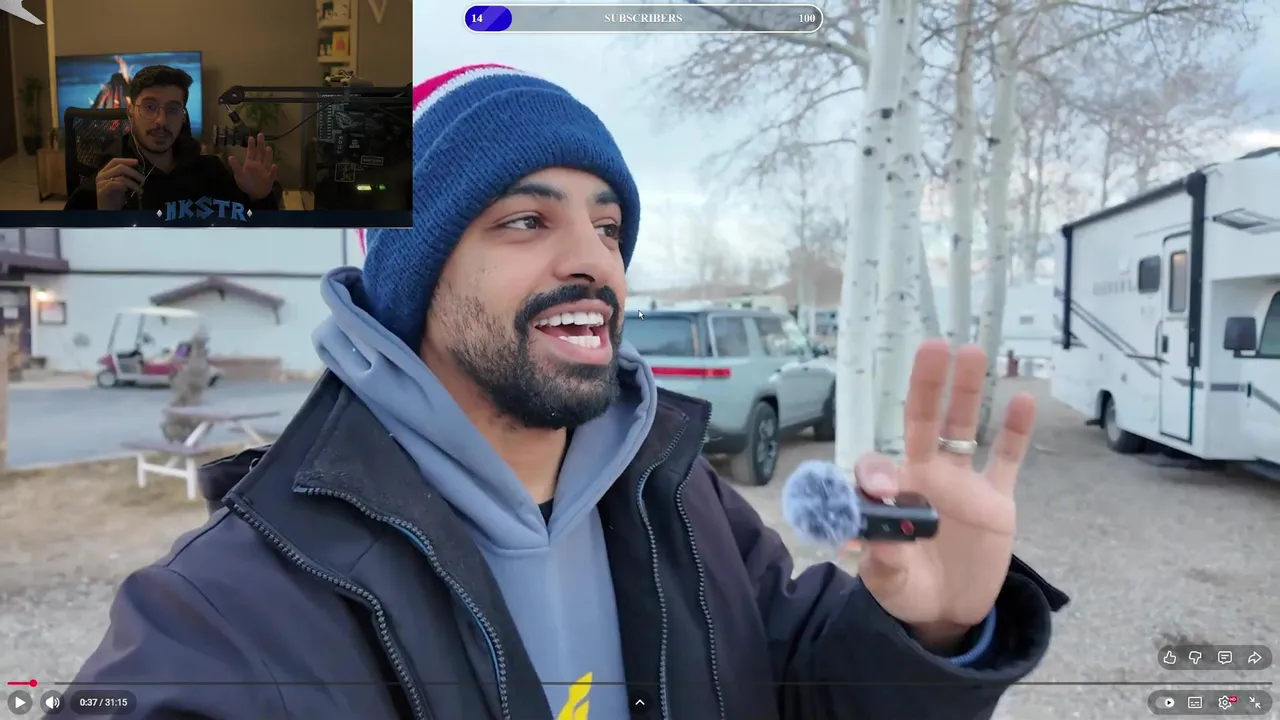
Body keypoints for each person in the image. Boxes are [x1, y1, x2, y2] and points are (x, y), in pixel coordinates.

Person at [73, 64, 1069, 719]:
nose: (593, 260)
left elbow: (801, 694)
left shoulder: (686, 504)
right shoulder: (233, 608)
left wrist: (931, 632)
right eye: (525, 221)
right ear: (414, 277)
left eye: (608, 227)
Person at [63, 65, 280, 214]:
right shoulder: (109, 177)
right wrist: (105, 215)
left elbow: (251, 238)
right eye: (149, 107)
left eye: (173, 109)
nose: (161, 120)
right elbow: (74, 253)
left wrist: (258, 198)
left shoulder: (209, 170)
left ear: (183, 116)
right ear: (130, 112)